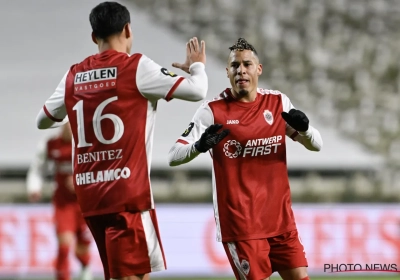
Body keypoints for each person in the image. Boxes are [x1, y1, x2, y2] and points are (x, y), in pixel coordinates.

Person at [35, 1, 208, 279]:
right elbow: (198, 91)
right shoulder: (136, 66)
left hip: (90, 197)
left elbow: (42, 120)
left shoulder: (73, 74)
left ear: (94, 37)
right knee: (131, 277)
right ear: (128, 29)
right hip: (127, 195)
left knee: (125, 275)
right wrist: (197, 67)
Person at [168, 38, 323, 280]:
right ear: (227, 72)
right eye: (235, 65)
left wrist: (305, 130)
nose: (241, 70)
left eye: (247, 64)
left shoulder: (277, 103)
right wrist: (198, 146)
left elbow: (316, 146)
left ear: (258, 69)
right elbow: (173, 157)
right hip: (242, 227)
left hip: (282, 222)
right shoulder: (213, 111)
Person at [27, 124, 92, 280]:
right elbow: (37, 168)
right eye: (67, 125)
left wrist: (80, 183)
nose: (70, 128)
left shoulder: (88, 144)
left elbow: (99, 170)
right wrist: (34, 187)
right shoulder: (51, 145)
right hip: (63, 204)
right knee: (64, 245)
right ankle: (62, 276)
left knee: (83, 246)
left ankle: (85, 268)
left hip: (86, 204)